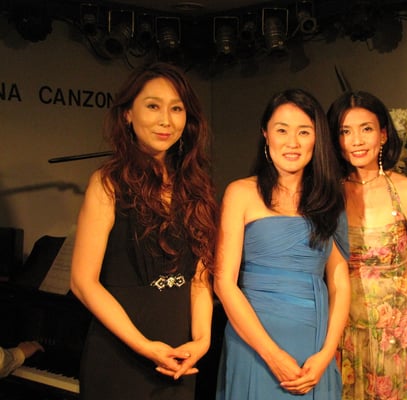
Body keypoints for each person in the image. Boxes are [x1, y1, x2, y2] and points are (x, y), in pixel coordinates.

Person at [70, 62, 218, 400]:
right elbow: (82, 282)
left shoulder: (197, 186)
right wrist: (145, 347)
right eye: (153, 106)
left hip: (179, 359)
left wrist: (202, 340)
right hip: (121, 356)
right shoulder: (107, 183)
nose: (166, 120)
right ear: (127, 114)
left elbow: (200, 277)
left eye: (176, 109)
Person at [214, 88, 350, 399]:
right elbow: (223, 282)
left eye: (304, 132)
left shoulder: (331, 198)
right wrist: (272, 355)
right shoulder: (240, 193)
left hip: (314, 346)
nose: (292, 143)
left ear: (317, 138)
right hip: (254, 342)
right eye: (282, 130)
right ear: (265, 134)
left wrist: (327, 352)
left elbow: (340, 282)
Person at [327, 90, 407, 399]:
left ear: (383, 134)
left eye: (366, 129)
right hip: (344, 334)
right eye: (345, 131)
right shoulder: (328, 195)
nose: (356, 140)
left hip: (401, 336)